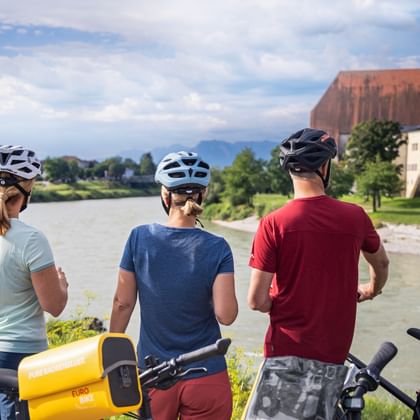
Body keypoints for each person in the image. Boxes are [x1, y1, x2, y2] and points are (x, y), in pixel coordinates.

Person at [246, 128, 389, 420]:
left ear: (289, 172)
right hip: (334, 355)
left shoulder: (274, 223)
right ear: (325, 167)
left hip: (286, 352)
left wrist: (283, 301)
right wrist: (370, 289)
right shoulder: (355, 216)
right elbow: (382, 264)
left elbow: (256, 301)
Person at [110, 151, 238, 420]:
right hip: (207, 375)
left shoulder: (139, 237)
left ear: (165, 196)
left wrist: (111, 354)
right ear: (202, 195)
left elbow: (123, 303)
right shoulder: (218, 247)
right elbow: (226, 316)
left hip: (155, 374)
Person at [0, 145, 69, 420]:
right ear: (27, 190)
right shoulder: (31, 239)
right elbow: (54, 305)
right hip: (23, 361)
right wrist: (62, 284)